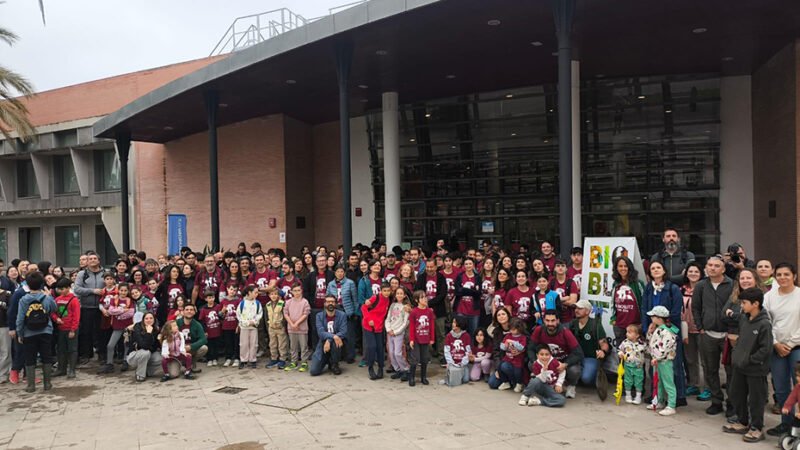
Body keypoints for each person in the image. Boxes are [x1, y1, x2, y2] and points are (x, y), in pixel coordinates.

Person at [723, 288, 772, 442]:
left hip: (756, 369)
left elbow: (766, 349)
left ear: (755, 304)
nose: (741, 306)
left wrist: (750, 359)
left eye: (744, 303)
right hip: (740, 366)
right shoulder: (744, 318)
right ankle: (742, 421)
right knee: (736, 393)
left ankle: (757, 428)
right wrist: (737, 355)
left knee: (756, 399)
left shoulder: (764, 324)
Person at [692, 255, 734, 416]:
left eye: (716, 266)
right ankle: (716, 401)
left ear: (723, 269)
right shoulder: (701, 285)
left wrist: (733, 330)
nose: (712, 268)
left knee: (731, 371)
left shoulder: (732, 285)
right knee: (710, 370)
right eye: (709, 265)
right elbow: (696, 308)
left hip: (728, 335)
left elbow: (737, 306)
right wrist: (700, 327)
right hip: (707, 334)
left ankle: (732, 402)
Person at [642, 260, 687, 407]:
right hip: (653, 331)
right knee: (654, 363)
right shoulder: (648, 288)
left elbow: (676, 311)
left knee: (674, 364)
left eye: (658, 267)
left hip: (669, 331)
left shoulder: (673, 288)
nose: (655, 270)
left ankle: (679, 396)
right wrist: (647, 327)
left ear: (664, 270)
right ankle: (656, 396)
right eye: (653, 268)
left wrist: (660, 324)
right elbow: (644, 309)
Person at [764, 263, 800, 437]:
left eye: (786, 274)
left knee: (798, 386)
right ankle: (787, 424)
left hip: (797, 347)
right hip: (776, 348)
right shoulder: (769, 296)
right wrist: (776, 343)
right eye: (779, 274)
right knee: (781, 388)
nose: (782, 277)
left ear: (794, 276)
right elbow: (766, 322)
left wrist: (791, 344)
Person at [15, 271, 57, 392]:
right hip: (46, 331)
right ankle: (47, 384)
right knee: (46, 356)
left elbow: (20, 318)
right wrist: (49, 296)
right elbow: (54, 309)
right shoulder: (46, 298)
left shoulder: (24, 300)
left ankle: (31, 385)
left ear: (27, 285)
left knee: (30, 358)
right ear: (41, 284)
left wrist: (20, 333)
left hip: (29, 332)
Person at [528, 310, 583, 398]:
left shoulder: (566, 332)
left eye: (553, 320)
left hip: (562, 362)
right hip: (546, 361)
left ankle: (571, 386)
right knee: (531, 364)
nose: (550, 323)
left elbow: (578, 353)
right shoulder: (539, 330)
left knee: (575, 370)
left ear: (558, 321)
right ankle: (545, 384)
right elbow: (530, 348)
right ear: (544, 321)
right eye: (547, 320)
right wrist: (535, 361)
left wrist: (565, 364)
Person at [73, 251, 106, 365]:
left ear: (99, 260)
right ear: (87, 261)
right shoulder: (82, 274)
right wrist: (92, 291)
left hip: (102, 308)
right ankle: (86, 354)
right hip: (86, 307)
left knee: (101, 331)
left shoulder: (105, 273)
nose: (92, 260)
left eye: (94, 258)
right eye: (90, 259)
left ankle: (102, 354)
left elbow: (111, 286)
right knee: (86, 332)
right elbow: (77, 289)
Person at [646, 305, 679, 416]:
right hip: (657, 361)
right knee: (658, 382)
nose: (651, 318)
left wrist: (657, 357)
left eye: (653, 316)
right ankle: (659, 401)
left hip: (664, 361)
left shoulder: (668, 332)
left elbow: (665, 348)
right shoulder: (659, 329)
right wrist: (650, 332)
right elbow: (652, 342)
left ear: (659, 318)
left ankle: (671, 405)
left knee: (668, 383)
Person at [681, 261, 707, 400]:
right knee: (690, 359)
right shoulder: (681, 289)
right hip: (686, 328)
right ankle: (693, 384)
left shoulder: (705, 288)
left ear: (701, 273)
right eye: (690, 271)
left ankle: (708, 387)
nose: (693, 274)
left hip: (701, 328)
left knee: (705, 360)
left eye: (696, 271)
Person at [569, 299, 609, 386]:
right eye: (576, 308)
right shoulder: (572, 323)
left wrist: (603, 352)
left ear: (587, 311)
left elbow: (604, 344)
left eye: (580, 308)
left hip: (590, 357)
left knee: (587, 379)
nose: (576, 310)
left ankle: (593, 374)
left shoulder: (595, 325)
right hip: (575, 357)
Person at [415, 259, 447, 362]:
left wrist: (429, 303)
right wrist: (425, 304)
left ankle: (441, 355)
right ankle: (426, 355)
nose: (429, 269)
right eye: (427, 267)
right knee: (424, 333)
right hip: (423, 310)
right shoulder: (421, 277)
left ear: (436, 267)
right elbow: (418, 291)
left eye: (431, 267)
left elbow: (442, 294)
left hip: (439, 309)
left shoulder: (441, 277)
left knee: (440, 334)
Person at [98, 282, 134, 374]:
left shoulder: (130, 300)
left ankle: (126, 361)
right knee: (110, 345)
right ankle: (109, 364)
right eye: (121, 290)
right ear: (118, 291)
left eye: (125, 290)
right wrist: (123, 310)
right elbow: (111, 311)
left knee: (126, 345)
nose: (123, 292)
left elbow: (131, 312)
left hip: (127, 327)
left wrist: (118, 312)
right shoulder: (114, 299)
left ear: (128, 291)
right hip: (117, 326)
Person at [309, 295, 348, 376]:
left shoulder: (342, 315)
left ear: (335, 304)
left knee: (335, 342)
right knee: (314, 371)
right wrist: (333, 336)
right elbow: (320, 333)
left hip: (337, 342)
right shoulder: (319, 316)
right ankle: (327, 359)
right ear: (324, 304)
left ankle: (334, 364)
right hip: (323, 342)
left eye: (332, 302)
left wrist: (330, 340)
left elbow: (343, 332)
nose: (330, 303)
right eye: (328, 302)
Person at [303, 254, 334, 351]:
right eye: (319, 261)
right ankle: (316, 350)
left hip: (329, 308)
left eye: (323, 260)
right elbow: (306, 291)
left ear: (326, 262)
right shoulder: (311, 276)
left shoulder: (332, 275)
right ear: (316, 263)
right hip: (315, 308)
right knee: (315, 330)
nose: (321, 263)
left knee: (329, 329)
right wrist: (310, 303)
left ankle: (330, 350)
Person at [610, 256, 645, 341]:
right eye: (620, 266)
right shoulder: (615, 284)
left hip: (635, 326)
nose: (623, 268)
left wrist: (643, 322)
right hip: (620, 326)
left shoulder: (638, 283)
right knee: (620, 349)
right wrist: (613, 319)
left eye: (625, 266)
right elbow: (612, 303)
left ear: (630, 267)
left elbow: (645, 303)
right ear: (616, 268)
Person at [326, 265, 357, 363]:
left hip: (347, 311)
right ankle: (339, 355)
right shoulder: (331, 284)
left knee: (349, 335)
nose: (340, 273)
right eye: (338, 272)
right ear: (335, 273)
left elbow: (354, 299)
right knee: (337, 334)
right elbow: (327, 298)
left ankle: (350, 356)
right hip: (335, 311)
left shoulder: (350, 283)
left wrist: (355, 312)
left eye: (341, 271)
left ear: (344, 273)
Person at [51, 278, 80, 378]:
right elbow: (53, 312)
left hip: (71, 328)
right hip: (61, 328)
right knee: (61, 349)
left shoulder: (74, 300)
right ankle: (61, 369)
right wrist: (56, 319)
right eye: (59, 289)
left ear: (68, 288)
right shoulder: (57, 299)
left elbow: (76, 316)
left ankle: (72, 370)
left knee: (72, 349)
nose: (61, 291)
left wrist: (73, 329)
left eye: (63, 289)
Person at [362, 282, 390, 380]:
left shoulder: (388, 300)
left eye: (388, 291)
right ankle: (370, 368)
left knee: (380, 348)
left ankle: (380, 368)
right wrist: (369, 319)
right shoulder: (375, 298)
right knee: (371, 347)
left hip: (379, 327)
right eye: (384, 291)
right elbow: (364, 307)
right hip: (369, 326)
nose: (386, 293)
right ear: (381, 291)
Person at [408, 290, 435, 387]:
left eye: (425, 297)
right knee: (415, 359)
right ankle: (411, 377)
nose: (425, 299)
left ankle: (423, 377)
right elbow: (411, 327)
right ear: (416, 300)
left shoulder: (429, 311)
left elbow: (432, 325)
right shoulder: (414, 312)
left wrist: (432, 338)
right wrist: (411, 339)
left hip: (426, 339)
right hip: (416, 339)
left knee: (424, 359)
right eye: (422, 297)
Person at [126, 312, 162, 382]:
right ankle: (140, 375)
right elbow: (144, 346)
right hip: (134, 355)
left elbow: (156, 346)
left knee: (161, 357)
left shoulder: (156, 329)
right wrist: (148, 333)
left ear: (154, 320)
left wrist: (160, 340)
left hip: (148, 354)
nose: (149, 320)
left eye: (151, 318)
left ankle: (147, 372)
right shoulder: (137, 327)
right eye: (146, 318)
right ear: (143, 320)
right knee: (145, 352)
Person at [284, 284, 311, 372]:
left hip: (302, 328)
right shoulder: (288, 302)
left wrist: (297, 323)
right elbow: (286, 313)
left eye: (298, 290)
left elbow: (305, 314)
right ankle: (293, 361)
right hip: (291, 328)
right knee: (293, 346)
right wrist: (292, 324)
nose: (297, 292)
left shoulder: (305, 302)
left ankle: (304, 362)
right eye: (295, 291)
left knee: (303, 346)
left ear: (301, 291)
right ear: (291, 292)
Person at [385, 287, 410, 381]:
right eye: (397, 293)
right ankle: (397, 369)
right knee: (391, 353)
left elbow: (405, 322)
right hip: (390, 332)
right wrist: (389, 329)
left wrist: (396, 332)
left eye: (401, 293)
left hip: (398, 333)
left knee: (397, 353)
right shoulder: (393, 305)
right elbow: (388, 318)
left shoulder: (406, 307)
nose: (399, 295)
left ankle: (405, 369)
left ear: (404, 295)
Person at [496, 318, 528, 392]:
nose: (511, 331)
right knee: (500, 367)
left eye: (513, 329)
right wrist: (505, 345)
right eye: (510, 329)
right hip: (507, 357)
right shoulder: (508, 336)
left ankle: (519, 383)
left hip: (518, 359)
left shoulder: (522, 337)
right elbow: (502, 347)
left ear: (519, 329)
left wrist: (512, 342)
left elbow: (521, 347)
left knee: (517, 372)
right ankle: (505, 382)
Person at [175, 304, 208, 375]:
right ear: (183, 312)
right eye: (187, 310)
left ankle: (191, 364)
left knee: (204, 348)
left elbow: (203, 339)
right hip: (177, 349)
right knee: (173, 374)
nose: (189, 311)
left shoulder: (197, 324)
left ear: (194, 312)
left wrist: (191, 346)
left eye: (191, 310)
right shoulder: (176, 322)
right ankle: (181, 363)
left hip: (190, 348)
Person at [235, 285, 262, 369]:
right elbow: (238, 314)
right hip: (244, 327)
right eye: (255, 292)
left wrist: (254, 321)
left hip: (253, 326)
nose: (257, 294)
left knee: (254, 343)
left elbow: (259, 314)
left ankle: (253, 359)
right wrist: (245, 322)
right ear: (249, 293)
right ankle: (243, 360)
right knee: (244, 344)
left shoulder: (257, 303)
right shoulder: (242, 303)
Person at [453, 257, 482, 337]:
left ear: (473, 265)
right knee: (460, 334)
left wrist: (464, 290)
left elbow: (478, 293)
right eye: (466, 264)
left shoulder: (478, 277)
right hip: (461, 309)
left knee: (473, 334)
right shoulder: (459, 276)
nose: (468, 265)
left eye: (470, 264)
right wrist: (473, 291)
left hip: (474, 310)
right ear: (463, 265)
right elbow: (457, 292)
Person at [618, 324, 646, 404]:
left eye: (629, 332)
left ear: (637, 335)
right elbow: (620, 350)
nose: (627, 334)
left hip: (638, 366)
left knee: (639, 381)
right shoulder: (625, 342)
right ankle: (628, 395)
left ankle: (638, 397)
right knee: (627, 381)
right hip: (628, 365)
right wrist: (620, 353)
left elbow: (648, 350)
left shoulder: (642, 343)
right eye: (627, 332)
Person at [441, 316, 471, 387]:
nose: (453, 324)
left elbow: (468, 351)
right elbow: (447, 351)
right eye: (453, 322)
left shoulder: (466, 336)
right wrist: (451, 362)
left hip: (463, 364)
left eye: (455, 322)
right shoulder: (448, 336)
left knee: (465, 380)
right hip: (452, 363)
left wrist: (463, 363)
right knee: (454, 379)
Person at [264, 287, 289, 369]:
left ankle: (283, 359)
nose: (273, 296)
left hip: (280, 327)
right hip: (271, 327)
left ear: (278, 295)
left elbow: (285, 316)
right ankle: (274, 358)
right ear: (269, 295)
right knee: (272, 344)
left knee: (282, 344)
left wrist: (283, 325)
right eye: (271, 294)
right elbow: (266, 317)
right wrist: (268, 326)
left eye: (275, 294)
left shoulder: (282, 304)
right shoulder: (267, 305)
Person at [219, 283, 241, 367]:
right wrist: (222, 311)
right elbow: (220, 315)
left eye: (235, 290)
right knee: (228, 343)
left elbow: (240, 314)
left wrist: (239, 325)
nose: (232, 291)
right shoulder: (223, 301)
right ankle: (228, 358)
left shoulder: (238, 301)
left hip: (235, 325)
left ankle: (236, 358)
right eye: (231, 289)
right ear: (227, 289)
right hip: (226, 326)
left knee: (236, 342)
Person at [198, 290, 222, 367]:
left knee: (216, 345)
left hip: (217, 330)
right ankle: (209, 359)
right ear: (206, 299)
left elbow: (221, 316)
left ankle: (215, 358)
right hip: (209, 331)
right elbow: (202, 321)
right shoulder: (203, 309)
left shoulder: (218, 306)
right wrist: (205, 331)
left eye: (212, 297)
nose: (211, 299)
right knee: (209, 345)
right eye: (209, 298)